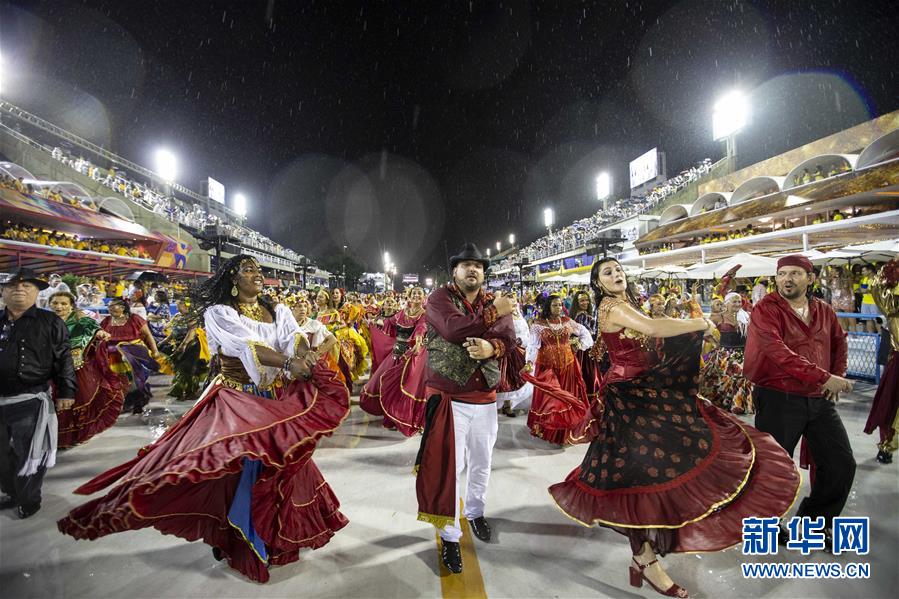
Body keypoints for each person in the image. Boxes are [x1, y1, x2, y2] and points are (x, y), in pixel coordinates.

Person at [58, 255, 351, 583]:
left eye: (258, 269)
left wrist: (303, 353)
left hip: (270, 400)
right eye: (248, 270)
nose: (257, 274)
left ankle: (271, 535)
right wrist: (288, 363)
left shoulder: (278, 310)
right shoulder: (220, 313)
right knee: (231, 468)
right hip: (234, 399)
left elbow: (293, 338)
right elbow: (247, 346)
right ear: (232, 279)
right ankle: (239, 538)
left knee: (278, 466)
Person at [550, 258, 800, 598]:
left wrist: (689, 332)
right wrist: (696, 322)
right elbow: (653, 329)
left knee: (661, 469)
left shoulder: (628, 302)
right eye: (607, 272)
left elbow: (655, 336)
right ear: (598, 283)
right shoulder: (611, 307)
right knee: (639, 480)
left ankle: (646, 553)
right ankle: (644, 559)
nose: (616, 274)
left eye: (618, 269)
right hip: (628, 400)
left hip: (650, 390)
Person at [415, 243, 518, 574]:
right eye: (465, 265)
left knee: (482, 463)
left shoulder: (493, 301)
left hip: (485, 399)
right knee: (450, 469)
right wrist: (491, 316)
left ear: (483, 273)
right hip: (450, 399)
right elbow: (453, 329)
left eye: (478, 266)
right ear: (454, 272)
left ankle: (475, 512)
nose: (473, 270)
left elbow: (510, 339)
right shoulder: (439, 300)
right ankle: (449, 535)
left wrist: (491, 346)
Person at [744, 254, 855, 546]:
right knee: (774, 466)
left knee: (840, 462)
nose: (787, 279)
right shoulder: (766, 309)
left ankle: (815, 524)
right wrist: (824, 377)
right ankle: (768, 522)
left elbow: (839, 342)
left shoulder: (824, 310)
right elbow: (778, 353)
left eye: (794, 273)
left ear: (810, 278)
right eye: (781, 274)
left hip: (818, 399)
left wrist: (836, 374)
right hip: (779, 397)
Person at [0, 268, 76, 519]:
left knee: (29, 453)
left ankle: (29, 498)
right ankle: (11, 491)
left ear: (37, 292)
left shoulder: (51, 321)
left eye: (27, 286)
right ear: (3, 292)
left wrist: (66, 391)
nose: (19, 289)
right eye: (12, 286)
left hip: (30, 400)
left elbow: (64, 358)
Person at [48, 291, 124, 448]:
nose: (59, 306)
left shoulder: (79, 318)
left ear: (71, 306)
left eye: (63, 303)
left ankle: (79, 434)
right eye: (55, 303)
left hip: (77, 367)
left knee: (80, 400)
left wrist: (100, 332)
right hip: (53, 368)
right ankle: (59, 438)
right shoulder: (46, 320)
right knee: (56, 402)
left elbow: (93, 326)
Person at [524, 294, 595, 445]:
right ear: (548, 306)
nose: (559, 307)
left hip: (568, 365)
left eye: (560, 304)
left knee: (567, 398)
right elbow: (533, 345)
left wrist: (580, 345)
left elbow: (585, 333)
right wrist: (529, 362)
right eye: (555, 305)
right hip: (547, 366)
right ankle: (551, 431)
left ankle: (564, 434)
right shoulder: (539, 324)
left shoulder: (567, 322)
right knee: (553, 399)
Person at [360, 287, 429, 435]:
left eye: (419, 294)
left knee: (404, 385)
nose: (416, 296)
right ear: (409, 297)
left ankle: (404, 418)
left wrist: (417, 341)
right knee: (384, 381)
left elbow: (421, 328)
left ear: (424, 298)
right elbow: (388, 322)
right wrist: (373, 322)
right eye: (414, 294)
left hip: (411, 354)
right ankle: (391, 416)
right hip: (396, 352)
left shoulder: (424, 314)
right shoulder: (402, 313)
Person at [862, 259, 898, 464]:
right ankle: (886, 447)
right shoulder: (888, 294)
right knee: (890, 407)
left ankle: (886, 447)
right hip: (897, 360)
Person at [100, 298, 160, 414]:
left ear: (122, 307)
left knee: (132, 380)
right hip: (113, 357)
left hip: (134, 353)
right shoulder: (106, 321)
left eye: (113, 305)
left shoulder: (135, 319)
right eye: (109, 306)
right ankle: (123, 403)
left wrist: (155, 350)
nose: (110, 308)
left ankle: (135, 401)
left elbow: (148, 335)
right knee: (117, 381)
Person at [700, 292, 754, 414]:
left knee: (742, 377)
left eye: (739, 301)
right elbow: (704, 332)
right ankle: (726, 403)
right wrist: (715, 343)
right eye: (734, 301)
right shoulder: (718, 317)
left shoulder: (746, 316)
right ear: (727, 303)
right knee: (725, 380)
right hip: (725, 355)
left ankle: (737, 406)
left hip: (742, 353)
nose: (738, 304)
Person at [161, 298, 209, 402]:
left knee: (188, 369)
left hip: (191, 347)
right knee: (180, 369)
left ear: (185, 305)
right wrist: (164, 341)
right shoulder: (177, 317)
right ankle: (181, 391)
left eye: (179, 305)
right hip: (178, 346)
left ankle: (190, 392)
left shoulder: (192, 316)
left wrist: (183, 345)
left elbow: (191, 333)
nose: (177, 307)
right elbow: (173, 332)